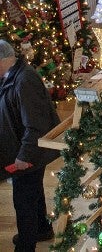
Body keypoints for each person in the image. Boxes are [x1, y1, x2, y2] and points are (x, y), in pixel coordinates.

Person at [0, 40, 60, 251]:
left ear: (4, 60)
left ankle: (26, 246)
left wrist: (23, 157)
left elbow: (35, 125)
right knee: (33, 190)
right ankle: (42, 228)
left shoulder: (25, 81)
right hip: (25, 148)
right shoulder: (11, 76)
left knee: (23, 200)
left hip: (29, 150)